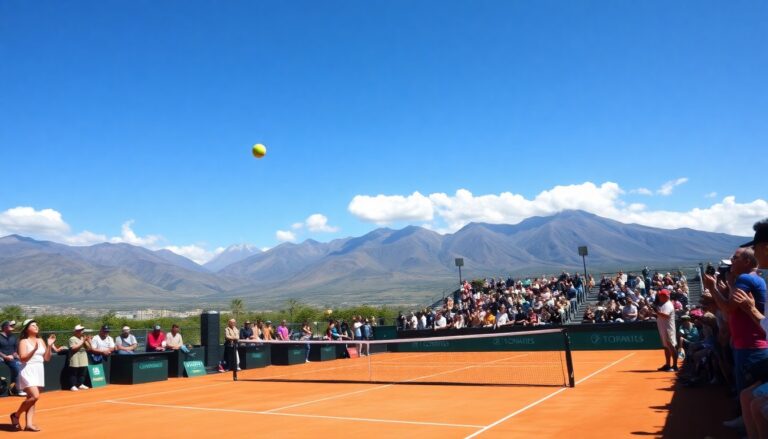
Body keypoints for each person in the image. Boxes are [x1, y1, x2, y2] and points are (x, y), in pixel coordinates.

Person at [11, 319, 57, 432]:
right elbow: (22, 358)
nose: (36, 326)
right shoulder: (23, 341)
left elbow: (46, 358)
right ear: (27, 329)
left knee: (31, 399)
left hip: (39, 370)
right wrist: (34, 350)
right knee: (35, 396)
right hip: (27, 370)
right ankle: (16, 415)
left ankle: (29, 424)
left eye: (37, 324)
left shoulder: (41, 340)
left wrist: (50, 346)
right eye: (33, 325)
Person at [654, 289, 677, 371]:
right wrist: (656, 312)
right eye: (659, 295)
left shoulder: (668, 305)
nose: (659, 296)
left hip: (668, 329)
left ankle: (674, 366)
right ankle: (667, 365)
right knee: (666, 347)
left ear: (665, 296)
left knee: (671, 346)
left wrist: (657, 312)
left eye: (661, 295)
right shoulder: (663, 304)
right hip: (663, 328)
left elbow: (666, 316)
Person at [0, 320, 25, 396]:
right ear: (5, 327)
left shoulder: (14, 337)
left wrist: (14, 356)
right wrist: (4, 356)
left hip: (11, 358)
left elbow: (15, 350)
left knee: (18, 366)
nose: (12, 327)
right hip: (1, 357)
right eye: (11, 325)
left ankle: (17, 389)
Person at [68, 324, 90, 391]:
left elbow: (89, 348)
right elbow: (74, 348)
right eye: (80, 330)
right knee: (74, 372)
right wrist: (82, 341)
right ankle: (73, 385)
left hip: (83, 356)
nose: (82, 331)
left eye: (82, 330)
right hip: (75, 357)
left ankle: (80, 384)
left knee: (82, 372)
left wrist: (87, 341)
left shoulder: (83, 338)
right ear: (76, 331)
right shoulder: (72, 339)